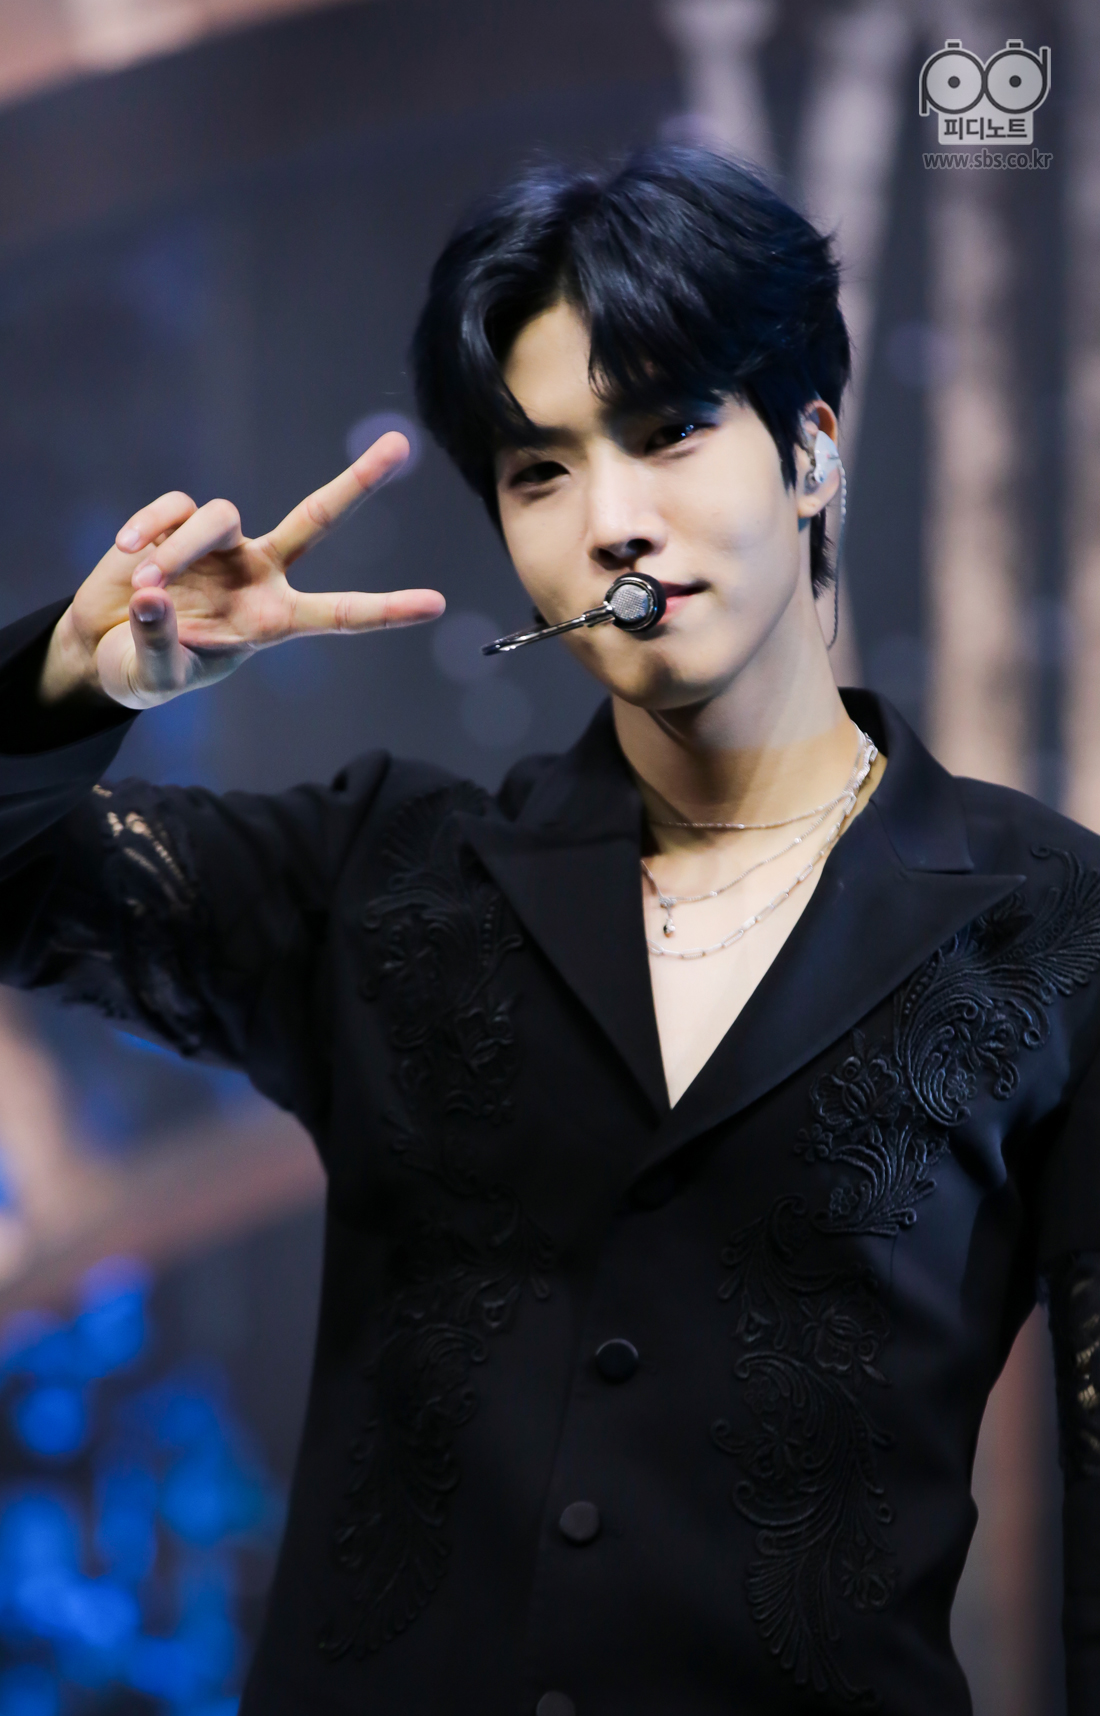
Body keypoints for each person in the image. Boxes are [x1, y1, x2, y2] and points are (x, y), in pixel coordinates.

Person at [0, 143, 1097, 1716]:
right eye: (541, 471)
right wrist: (71, 681)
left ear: (810, 451)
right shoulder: (387, 881)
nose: (615, 521)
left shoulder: (1047, 929)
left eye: (668, 431)